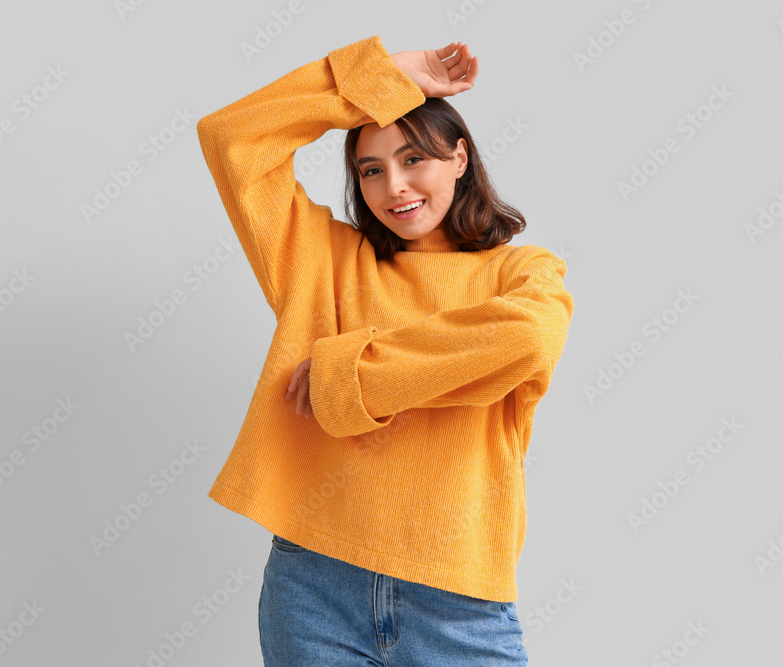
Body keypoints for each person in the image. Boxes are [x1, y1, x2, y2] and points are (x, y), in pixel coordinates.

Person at [195, 34, 574, 665]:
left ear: (459, 158)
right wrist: (377, 78)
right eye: (371, 169)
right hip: (315, 586)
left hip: (458, 596)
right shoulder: (325, 263)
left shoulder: (519, 273)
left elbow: (527, 338)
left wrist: (348, 373)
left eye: (413, 159)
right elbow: (231, 138)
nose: (393, 186)